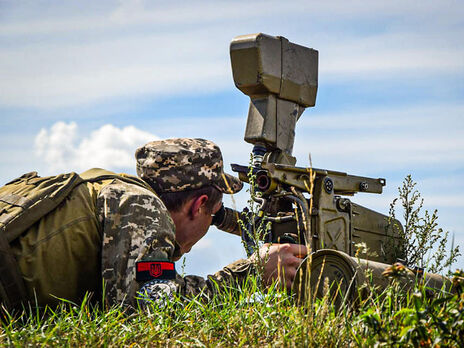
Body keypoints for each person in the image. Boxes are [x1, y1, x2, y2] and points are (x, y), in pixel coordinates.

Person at [4, 138, 307, 309]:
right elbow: (153, 311)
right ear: (199, 205)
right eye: (214, 213)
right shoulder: (144, 208)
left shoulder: (114, 192)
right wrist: (249, 273)